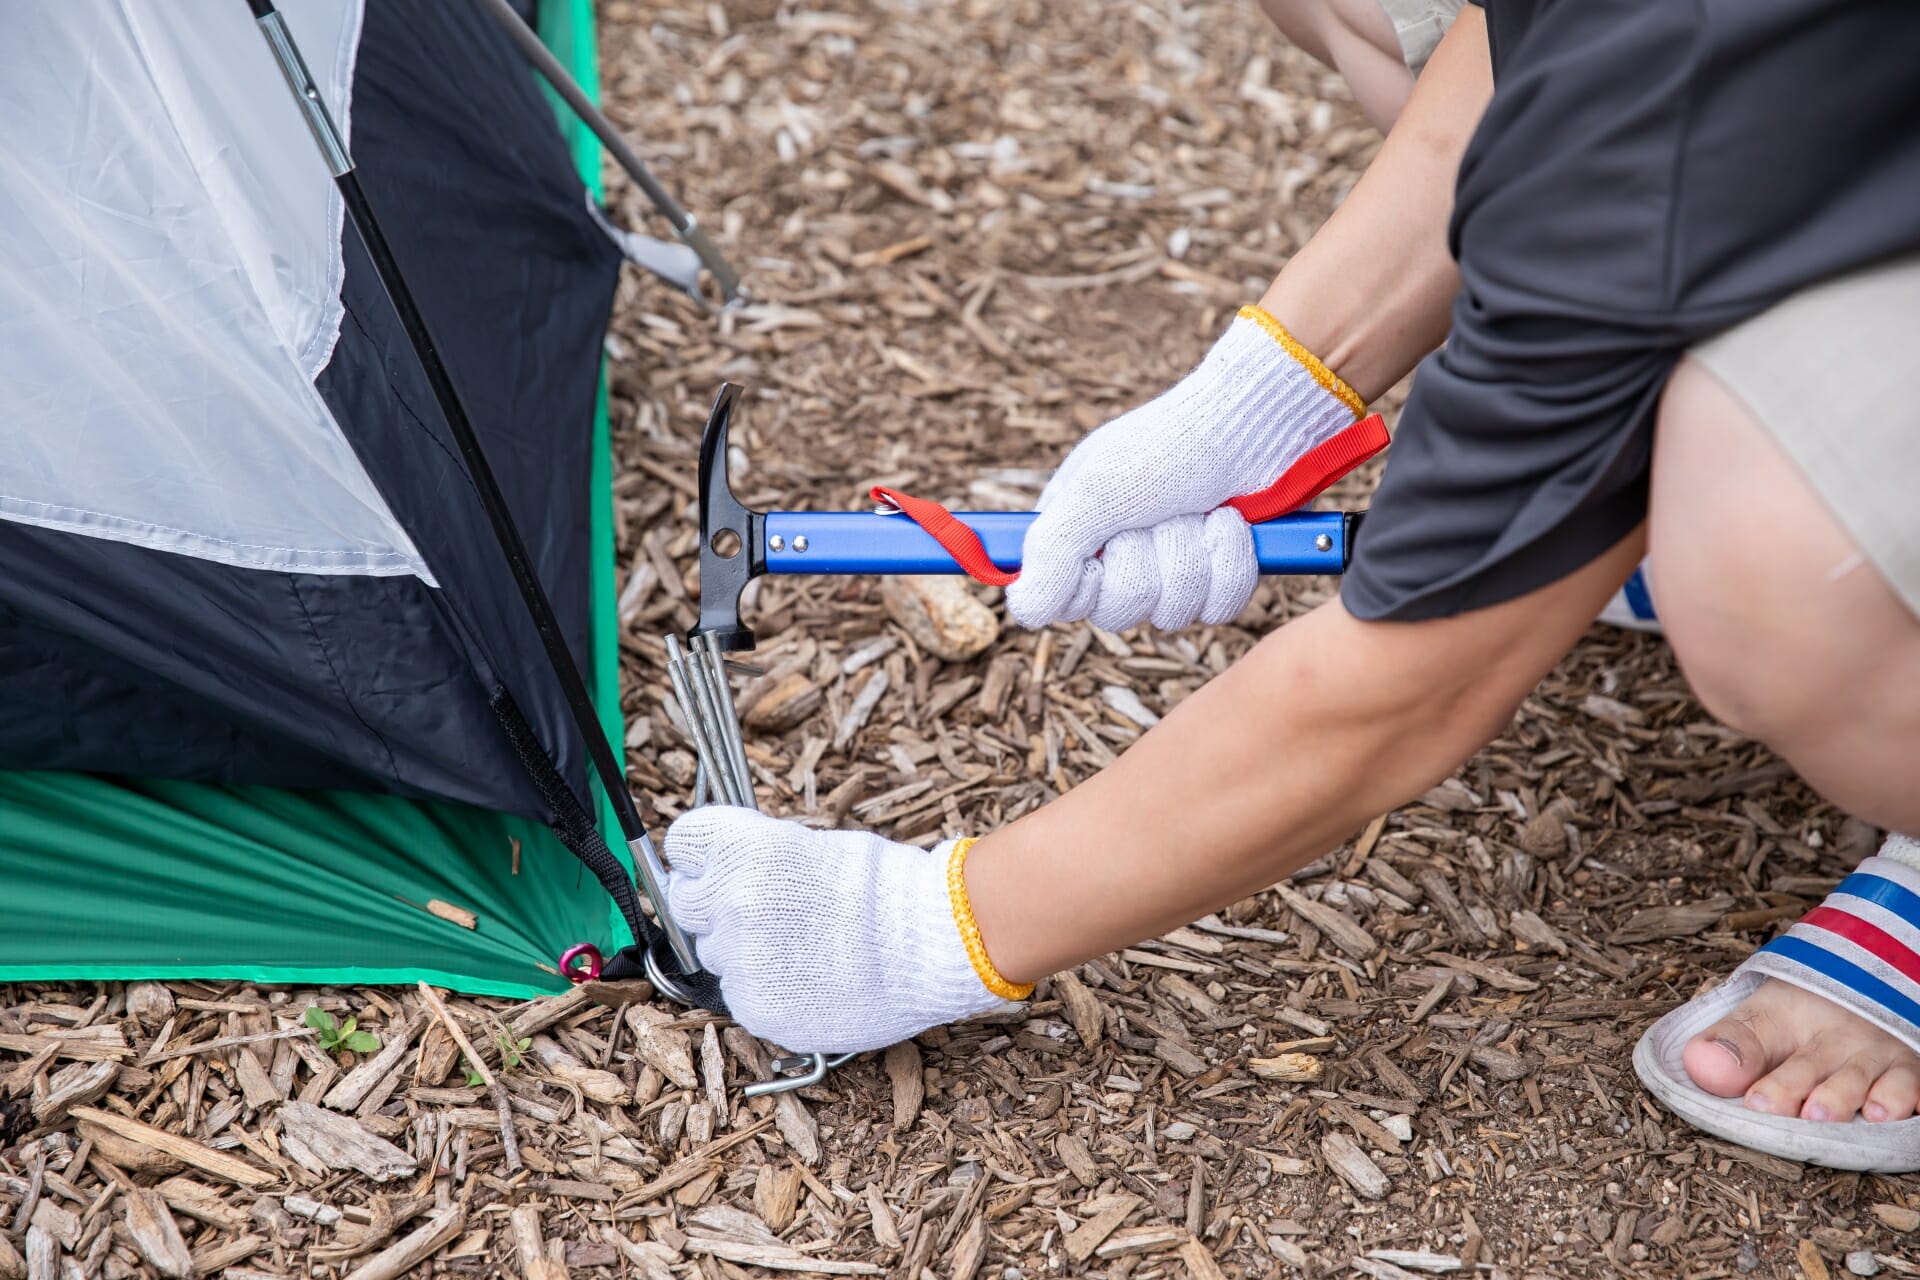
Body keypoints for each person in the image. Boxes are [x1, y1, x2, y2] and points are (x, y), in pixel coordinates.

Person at [664, 1, 1920, 1171]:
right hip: (1796, 109)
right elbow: (1532, 47)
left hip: (1786, 108)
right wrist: (1259, 399)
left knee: (1772, 558)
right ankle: (1677, 469)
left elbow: (1417, 677)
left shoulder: (1682, 110)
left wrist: (925, 927)